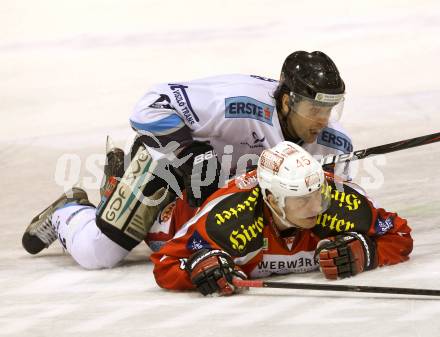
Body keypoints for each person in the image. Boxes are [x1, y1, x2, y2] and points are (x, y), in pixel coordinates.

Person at [22, 51, 352, 270]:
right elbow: (151, 104)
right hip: (165, 164)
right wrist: (187, 153)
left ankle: (118, 193)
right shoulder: (238, 104)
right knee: (99, 253)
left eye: (329, 108)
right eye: (314, 109)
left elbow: (333, 205)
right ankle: (69, 212)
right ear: (285, 102)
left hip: (216, 187)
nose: (323, 120)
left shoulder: (334, 143)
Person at [150, 142, 413, 296]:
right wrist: (197, 269)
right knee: (156, 228)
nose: (316, 206)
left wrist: (370, 253)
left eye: (317, 193)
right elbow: (165, 263)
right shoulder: (229, 220)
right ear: (272, 200)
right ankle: (141, 180)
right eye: (301, 199)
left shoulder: (340, 204)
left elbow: (399, 234)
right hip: (183, 213)